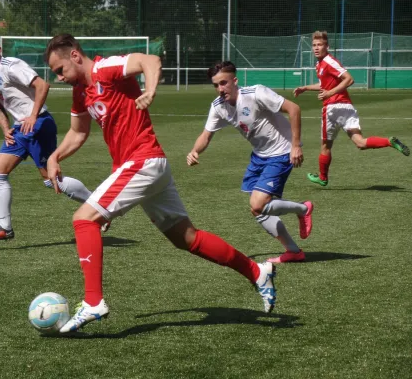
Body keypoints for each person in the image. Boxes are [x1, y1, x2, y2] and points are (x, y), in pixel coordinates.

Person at [44, 33, 278, 334]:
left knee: (83, 220)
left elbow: (149, 60)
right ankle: (258, 271)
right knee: (187, 239)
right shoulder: (81, 92)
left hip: (142, 162)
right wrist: (55, 156)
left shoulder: (105, 69)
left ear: (75, 56)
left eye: (60, 70)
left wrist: (151, 90)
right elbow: (78, 132)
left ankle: (93, 302)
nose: (60, 78)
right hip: (146, 167)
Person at [187, 61, 314, 264]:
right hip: (259, 155)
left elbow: (294, 108)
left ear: (234, 81)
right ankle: (293, 250)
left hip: (282, 151)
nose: (220, 89)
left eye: (224, 83)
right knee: (257, 209)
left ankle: (303, 209)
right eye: (216, 85)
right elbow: (206, 135)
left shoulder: (256, 94)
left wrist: (296, 145)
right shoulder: (218, 106)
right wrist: (194, 151)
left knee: (258, 203)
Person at [0, 32, 95, 241]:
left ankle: (97, 205)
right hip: (20, 129)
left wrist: (32, 116)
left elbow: (42, 85)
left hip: (38, 123)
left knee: (50, 179)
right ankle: (5, 228)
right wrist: (5, 130)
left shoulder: (12, 66)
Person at [294, 30, 409, 187]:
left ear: (327, 46)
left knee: (325, 146)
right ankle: (389, 142)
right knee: (360, 143)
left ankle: (323, 177)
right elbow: (325, 84)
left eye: (320, 45)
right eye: (314, 45)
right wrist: (306, 87)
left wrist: (329, 93)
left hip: (333, 108)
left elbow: (349, 79)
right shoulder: (320, 64)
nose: (316, 48)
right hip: (346, 107)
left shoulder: (329, 61)